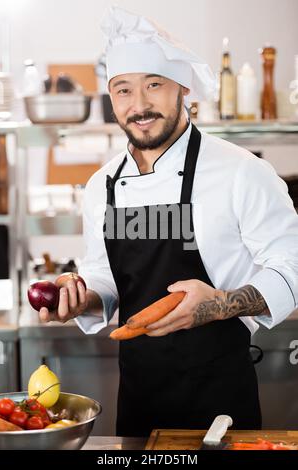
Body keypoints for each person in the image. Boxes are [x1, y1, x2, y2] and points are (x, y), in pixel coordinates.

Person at [39, 6, 298, 437]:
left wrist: (218, 304)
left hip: (221, 406)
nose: (138, 106)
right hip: (139, 401)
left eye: (153, 86)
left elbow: (293, 269)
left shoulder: (240, 172)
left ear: (183, 89)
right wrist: (80, 297)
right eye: (123, 90)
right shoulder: (101, 185)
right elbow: (104, 277)